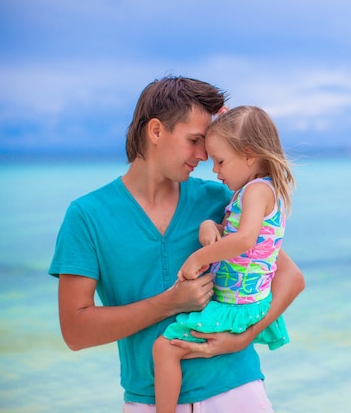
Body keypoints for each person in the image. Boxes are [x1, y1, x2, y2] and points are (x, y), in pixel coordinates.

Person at [48, 76, 305, 413]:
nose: (203, 156)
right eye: (195, 140)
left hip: (238, 391)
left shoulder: (221, 198)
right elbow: (76, 332)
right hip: (150, 402)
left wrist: (244, 336)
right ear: (156, 131)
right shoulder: (86, 216)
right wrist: (170, 303)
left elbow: (290, 278)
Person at [152, 106, 295, 413]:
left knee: (164, 349)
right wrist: (210, 227)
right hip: (248, 303)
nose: (215, 170)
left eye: (220, 161)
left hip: (236, 308)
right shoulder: (257, 191)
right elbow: (243, 236)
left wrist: (197, 258)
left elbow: (243, 240)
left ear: (249, 154)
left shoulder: (255, 191)